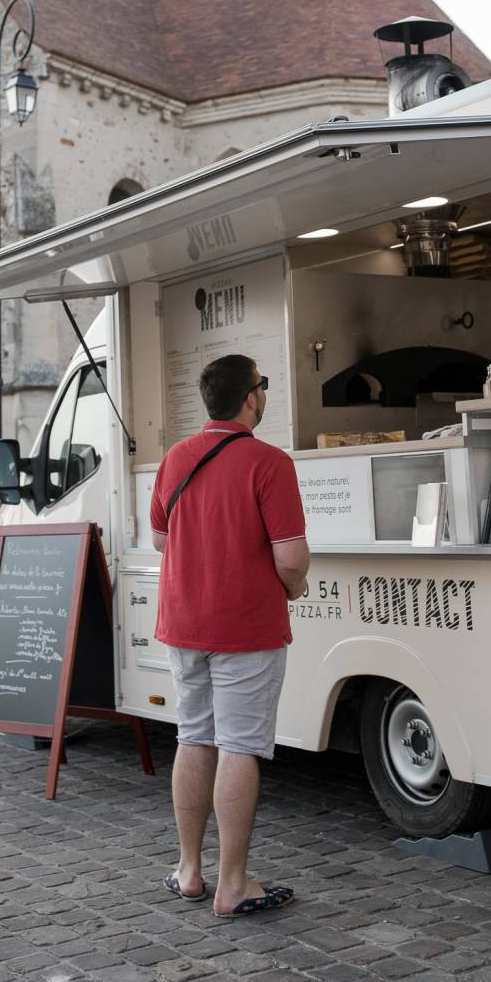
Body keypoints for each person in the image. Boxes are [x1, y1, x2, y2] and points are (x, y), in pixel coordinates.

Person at [150, 353, 310, 917]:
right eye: (262, 386)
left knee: (193, 736)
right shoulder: (269, 463)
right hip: (245, 625)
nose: (264, 394)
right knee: (239, 746)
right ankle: (234, 884)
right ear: (250, 398)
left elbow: (160, 539)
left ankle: (189, 871)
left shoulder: (175, 458)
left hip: (183, 622)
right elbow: (291, 556)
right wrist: (293, 589)